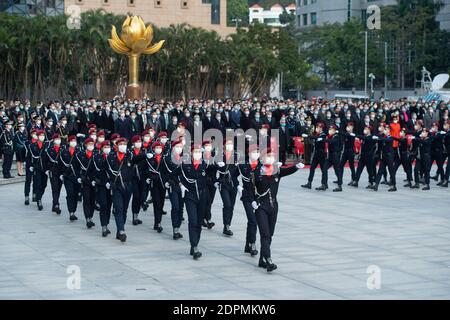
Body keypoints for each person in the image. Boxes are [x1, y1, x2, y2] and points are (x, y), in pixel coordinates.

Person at [253, 148, 305, 272]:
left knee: (270, 234)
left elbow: (288, 171)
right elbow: (250, 188)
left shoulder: (276, 171)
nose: (270, 158)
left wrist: (296, 166)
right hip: (261, 207)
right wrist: (253, 201)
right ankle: (269, 259)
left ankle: (262, 259)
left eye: (272, 155)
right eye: (267, 155)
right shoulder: (256, 172)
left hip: (273, 207)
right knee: (264, 234)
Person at [179, 144, 208, 259]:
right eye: (195, 151)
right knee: (193, 221)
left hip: (202, 195)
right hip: (190, 195)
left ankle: (194, 244)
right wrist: (180, 185)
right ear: (191, 153)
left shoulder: (204, 164)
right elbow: (175, 175)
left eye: (198, 151)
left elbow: (210, 178)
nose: (197, 153)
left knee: (199, 222)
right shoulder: (185, 165)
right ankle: (195, 246)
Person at [237, 144, 260, 257]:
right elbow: (232, 175)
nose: (256, 153)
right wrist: (238, 186)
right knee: (253, 221)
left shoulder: (261, 165)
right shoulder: (243, 165)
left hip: (259, 197)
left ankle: (247, 244)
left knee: (252, 221)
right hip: (247, 196)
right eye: (254, 151)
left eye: (257, 151)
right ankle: (252, 244)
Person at [161, 139, 184, 240]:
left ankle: (178, 226)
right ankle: (175, 228)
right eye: (177, 147)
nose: (179, 149)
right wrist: (167, 181)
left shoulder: (185, 158)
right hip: (173, 185)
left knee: (181, 208)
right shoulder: (168, 159)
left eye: (180, 147)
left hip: (183, 186)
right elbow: (166, 172)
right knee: (175, 207)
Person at [216, 139, 239, 236]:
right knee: (227, 204)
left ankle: (228, 224)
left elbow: (238, 172)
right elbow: (216, 169)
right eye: (228, 144)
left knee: (232, 206)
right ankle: (226, 225)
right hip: (224, 183)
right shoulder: (220, 156)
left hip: (233, 183)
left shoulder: (236, 156)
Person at [77, 137, 98, 228]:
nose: (91, 146)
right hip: (85, 180)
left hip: (93, 180)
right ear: (85, 145)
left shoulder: (96, 154)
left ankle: (91, 216)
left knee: (92, 200)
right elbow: (77, 166)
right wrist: (79, 177)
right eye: (89, 144)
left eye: (92, 144)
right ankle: (87, 218)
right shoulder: (81, 155)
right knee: (86, 199)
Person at [94, 140, 113, 237]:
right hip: (101, 185)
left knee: (109, 205)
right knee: (104, 205)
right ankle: (103, 226)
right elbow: (94, 171)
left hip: (111, 185)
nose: (107, 148)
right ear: (101, 148)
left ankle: (107, 224)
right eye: (105, 147)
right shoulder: (97, 158)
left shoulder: (113, 157)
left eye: (108, 147)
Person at [301, 122, 328, 190]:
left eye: (318, 127)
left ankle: (324, 184)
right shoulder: (317, 134)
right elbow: (315, 137)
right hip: (316, 154)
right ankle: (309, 183)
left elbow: (316, 138)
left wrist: (307, 136)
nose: (316, 128)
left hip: (322, 155)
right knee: (312, 168)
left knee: (323, 170)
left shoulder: (323, 135)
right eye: (316, 127)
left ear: (321, 128)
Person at [60, 135, 81, 221]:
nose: (73, 142)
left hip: (77, 177)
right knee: (70, 193)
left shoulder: (79, 152)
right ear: (68, 142)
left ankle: (74, 210)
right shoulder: (64, 152)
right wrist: (62, 174)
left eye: (74, 141)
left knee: (76, 194)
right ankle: (71, 212)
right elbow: (60, 164)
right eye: (71, 141)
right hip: (68, 176)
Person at [29, 130, 49, 210]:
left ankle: (39, 195)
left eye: (43, 135)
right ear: (37, 136)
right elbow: (31, 157)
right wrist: (31, 165)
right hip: (37, 168)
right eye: (40, 135)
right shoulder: (33, 145)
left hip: (45, 168)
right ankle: (39, 200)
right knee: (38, 184)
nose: (42, 137)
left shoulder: (46, 145)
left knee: (44, 184)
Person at [45, 133, 63, 214]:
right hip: (53, 170)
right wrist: (46, 169)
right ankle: (56, 204)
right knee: (55, 188)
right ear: (53, 140)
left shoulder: (63, 149)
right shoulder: (49, 149)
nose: (58, 140)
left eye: (59, 139)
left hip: (60, 171)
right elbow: (45, 159)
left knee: (58, 188)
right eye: (56, 139)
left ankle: (54, 203)